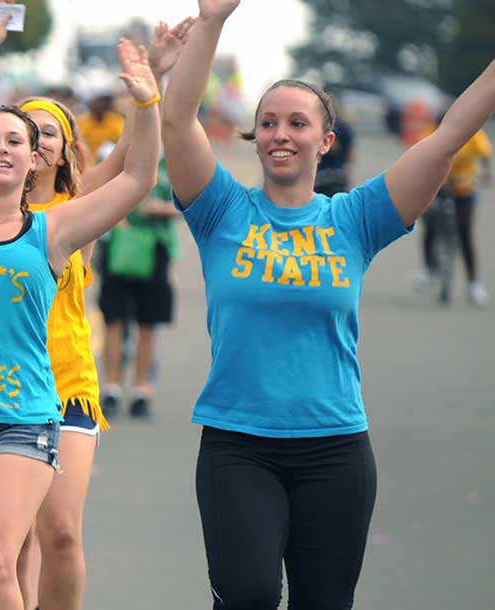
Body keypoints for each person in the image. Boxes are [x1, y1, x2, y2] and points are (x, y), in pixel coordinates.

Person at [161, 1, 495, 607]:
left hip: (335, 449)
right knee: (249, 592)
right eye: (267, 123)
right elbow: (178, 121)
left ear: (327, 140)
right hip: (238, 444)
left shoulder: (356, 219)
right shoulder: (221, 211)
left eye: (296, 123)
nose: (280, 135)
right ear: (253, 135)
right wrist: (210, 24)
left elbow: (447, 140)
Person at [0, 10, 190, 609]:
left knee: (59, 532)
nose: (32, 141)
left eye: (44, 133)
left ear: (64, 150)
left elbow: (138, 167)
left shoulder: (73, 212)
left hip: (63, 385)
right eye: (20, 130)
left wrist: (153, 89)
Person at [97, 159, 179, 419]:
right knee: (114, 320)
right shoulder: (119, 154)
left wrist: (162, 208)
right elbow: (98, 192)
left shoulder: (172, 163)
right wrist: (116, 217)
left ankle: (141, 390)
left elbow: (187, 203)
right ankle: (111, 387)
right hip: (119, 246)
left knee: (148, 322)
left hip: (156, 248)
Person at [416, 117, 490, 306]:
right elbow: (419, 154)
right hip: (439, 188)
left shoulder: (472, 133)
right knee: (430, 225)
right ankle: (429, 269)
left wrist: (486, 174)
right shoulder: (433, 131)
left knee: (465, 233)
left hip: (465, 188)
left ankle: (473, 284)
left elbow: (485, 155)